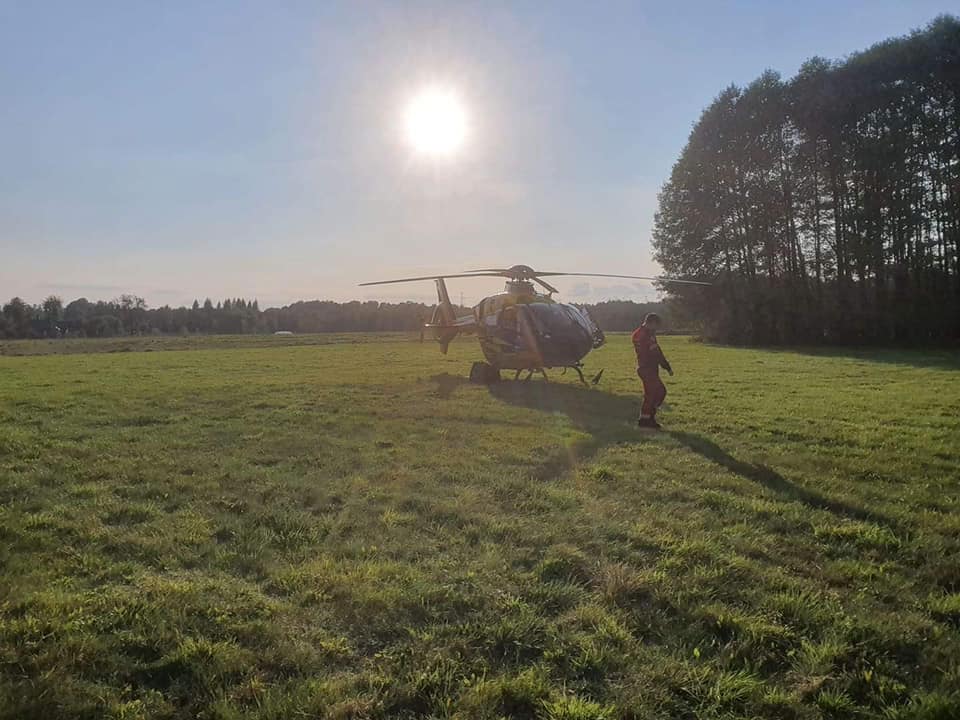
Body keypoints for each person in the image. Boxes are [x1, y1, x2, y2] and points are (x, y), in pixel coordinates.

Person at [632, 313, 673, 429]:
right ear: (652, 323)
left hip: (642, 367)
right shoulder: (648, 335)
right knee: (659, 392)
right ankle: (647, 418)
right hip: (649, 369)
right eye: (656, 326)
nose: (656, 329)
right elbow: (657, 353)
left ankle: (646, 418)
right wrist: (667, 366)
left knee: (650, 394)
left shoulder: (636, 333)